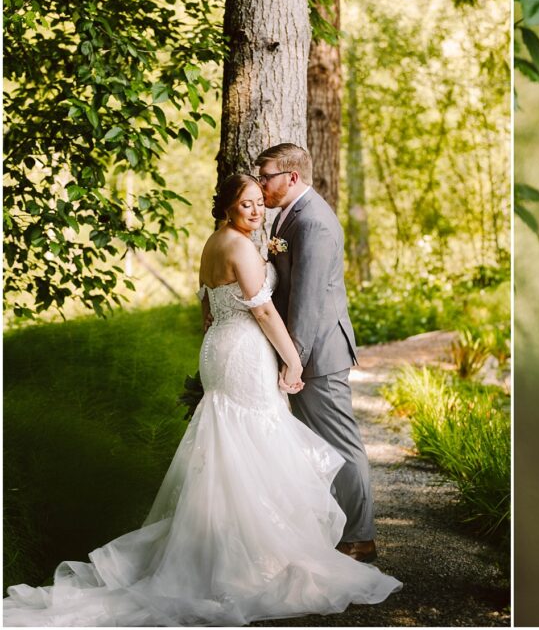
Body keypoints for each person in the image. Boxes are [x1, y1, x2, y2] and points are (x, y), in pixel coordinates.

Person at [3, 174, 401, 626]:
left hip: (219, 346)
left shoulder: (214, 243)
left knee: (229, 442)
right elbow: (264, 309)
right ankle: (251, 559)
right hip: (245, 351)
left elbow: (206, 307)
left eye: (258, 203)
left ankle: (226, 549)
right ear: (227, 208)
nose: (255, 211)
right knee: (253, 440)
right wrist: (292, 361)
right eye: (245, 204)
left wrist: (221, 337)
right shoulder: (238, 247)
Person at [255, 144, 378, 562]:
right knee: (318, 446)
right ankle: (336, 528)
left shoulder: (315, 223)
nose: (260, 182)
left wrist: (294, 361)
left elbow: (307, 302)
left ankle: (361, 537)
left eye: (266, 174)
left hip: (319, 354)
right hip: (305, 351)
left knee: (341, 445)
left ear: (291, 177)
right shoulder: (289, 215)